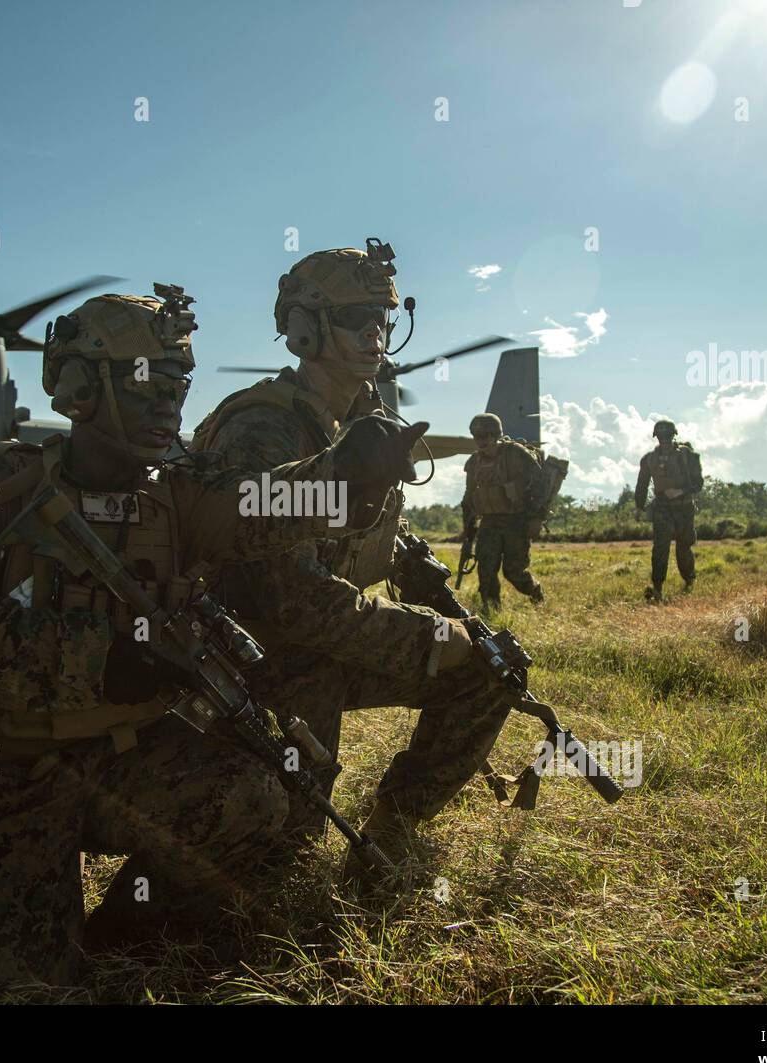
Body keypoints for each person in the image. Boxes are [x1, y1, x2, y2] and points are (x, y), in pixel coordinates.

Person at [0, 285, 423, 999]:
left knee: (253, 794)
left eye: (178, 382)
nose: (168, 400)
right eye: (145, 382)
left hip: (115, 760)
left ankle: (121, 941)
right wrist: (98, 660)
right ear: (77, 388)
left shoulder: (180, 490)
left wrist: (346, 477)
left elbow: (262, 506)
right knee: (0, 996)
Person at [190, 244, 514, 871]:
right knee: (286, 843)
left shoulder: (368, 415)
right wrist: (428, 637)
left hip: (322, 644)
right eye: (354, 317)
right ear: (306, 329)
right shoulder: (263, 428)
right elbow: (288, 604)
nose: (375, 332)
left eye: (383, 317)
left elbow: (368, 536)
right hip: (257, 662)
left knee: (486, 666)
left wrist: (423, 584)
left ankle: (394, 823)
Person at [460, 412, 556, 610]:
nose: (481, 441)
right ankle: (492, 610)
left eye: (485, 436)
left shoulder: (516, 454)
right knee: (486, 569)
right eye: (477, 437)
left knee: (513, 572)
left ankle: (535, 591)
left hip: (516, 521)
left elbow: (541, 485)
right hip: (489, 523)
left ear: (496, 435)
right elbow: (469, 497)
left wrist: (537, 518)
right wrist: (468, 528)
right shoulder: (474, 463)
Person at [634, 420, 702, 601]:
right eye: (660, 437)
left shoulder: (687, 455)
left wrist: (680, 491)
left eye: (667, 436)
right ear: (656, 437)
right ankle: (657, 588)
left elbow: (698, 483)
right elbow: (641, 485)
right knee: (660, 548)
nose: (663, 440)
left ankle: (689, 581)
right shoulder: (649, 459)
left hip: (684, 507)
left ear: (673, 436)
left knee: (684, 547)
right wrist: (639, 507)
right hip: (662, 509)